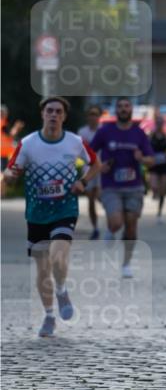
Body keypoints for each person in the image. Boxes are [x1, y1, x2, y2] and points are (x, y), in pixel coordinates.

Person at [3, 97, 100, 337]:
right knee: (42, 268)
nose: (54, 115)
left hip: (65, 209)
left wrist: (83, 181)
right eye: (50, 111)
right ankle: (48, 316)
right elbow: (10, 172)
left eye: (58, 112)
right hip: (36, 212)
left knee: (58, 255)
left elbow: (96, 164)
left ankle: (62, 289)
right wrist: (10, 177)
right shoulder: (28, 144)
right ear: (43, 115)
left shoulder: (75, 142)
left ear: (64, 117)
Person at [90, 96, 154, 278]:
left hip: (134, 187)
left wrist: (142, 159)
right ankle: (111, 230)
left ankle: (126, 263)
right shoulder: (105, 131)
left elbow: (151, 160)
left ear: (131, 110)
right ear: (115, 111)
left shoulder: (139, 133)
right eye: (120, 106)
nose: (124, 109)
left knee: (132, 227)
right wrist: (99, 165)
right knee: (117, 222)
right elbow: (89, 152)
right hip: (111, 186)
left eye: (127, 106)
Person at [78, 104, 103, 239]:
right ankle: (96, 228)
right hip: (89, 168)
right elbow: (79, 151)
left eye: (95, 114)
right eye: (90, 114)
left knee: (101, 197)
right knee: (91, 200)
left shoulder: (104, 131)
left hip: (103, 168)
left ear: (99, 117)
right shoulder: (82, 132)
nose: (93, 117)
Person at [148, 115, 166, 221]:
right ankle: (153, 191)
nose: (159, 125)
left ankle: (159, 211)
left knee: (163, 189)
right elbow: (146, 148)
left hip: (164, 164)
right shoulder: (150, 135)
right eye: (157, 122)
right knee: (154, 185)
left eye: (161, 122)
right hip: (154, 164)